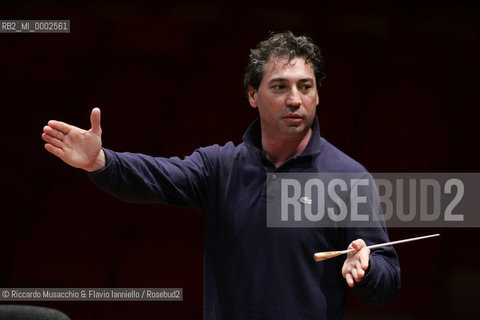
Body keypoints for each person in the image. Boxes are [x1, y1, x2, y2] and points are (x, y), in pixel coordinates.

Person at [42, 31, 400, 319]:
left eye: (305, 87)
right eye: (280, 86)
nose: (295, 99)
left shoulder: (348, 177)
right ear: (252, 95)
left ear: (317, 95)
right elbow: (156, 176)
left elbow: (387, 277)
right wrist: (102, 161)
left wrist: (366, 268)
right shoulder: (221, 167)